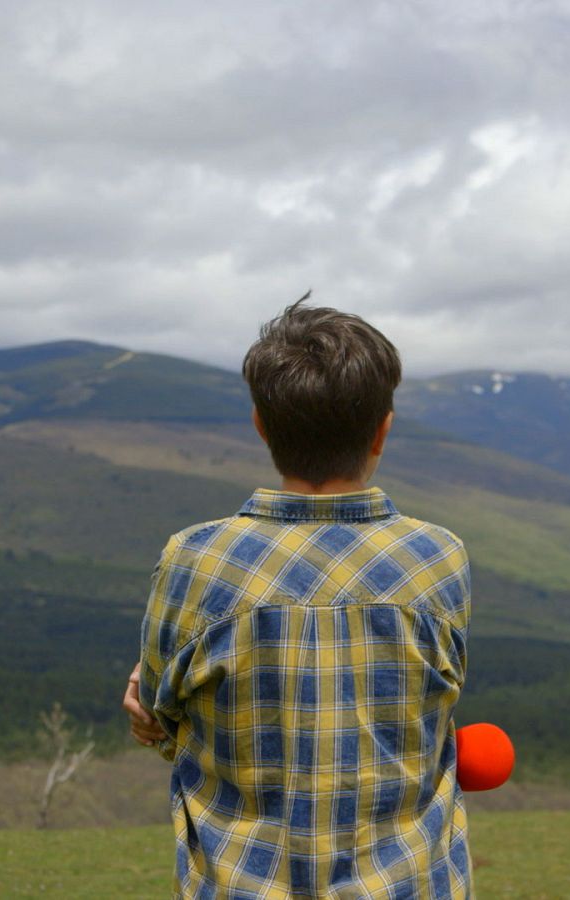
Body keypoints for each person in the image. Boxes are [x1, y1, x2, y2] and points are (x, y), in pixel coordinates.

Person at [122, 296, 473, 898]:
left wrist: (151, 715)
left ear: (261, 424)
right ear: (382, 430)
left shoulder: (193, 557)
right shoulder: (439, 557)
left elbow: (159, 712)